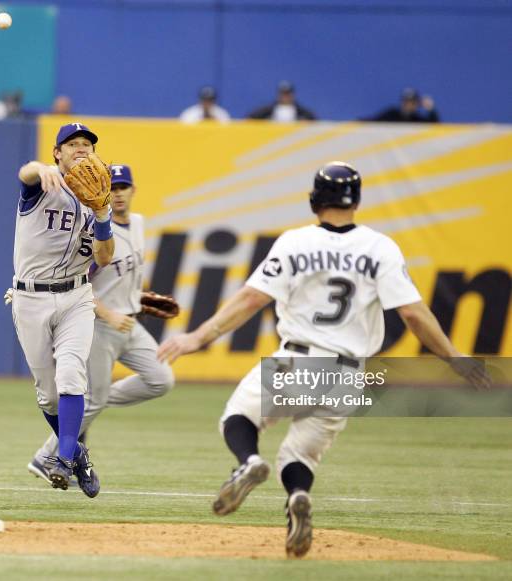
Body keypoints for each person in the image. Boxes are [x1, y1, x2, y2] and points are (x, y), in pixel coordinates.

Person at [158, 161, 489, 558]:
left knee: (238, 417)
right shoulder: (380, 248)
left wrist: (198, 336)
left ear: (315, 198)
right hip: (348, 373)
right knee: (298, 457)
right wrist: (453, 357)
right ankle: (298, 495)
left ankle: (247, 462)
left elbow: (250, 299)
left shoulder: (295, 242)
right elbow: (414, 314)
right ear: (357, 200)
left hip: (298, 360)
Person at [27, 164, 175, 481]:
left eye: (124, 187)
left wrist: (138, 298)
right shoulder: (98, 230)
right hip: (99, 326)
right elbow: (81, 282)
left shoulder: (138, 223)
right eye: (114, 187)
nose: (119, 194)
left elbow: (125, 274)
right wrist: (108, 312)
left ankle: (96, 398)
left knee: (161, 379)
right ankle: (45, 457)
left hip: (131, 323)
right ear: (104, 191)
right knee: (92, 398)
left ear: (133, 191)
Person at [11, 122, 114, 498]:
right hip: (29, 297)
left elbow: (103, 257)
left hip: (76, 297)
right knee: (48, 395)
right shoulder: (41, 184)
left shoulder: (97, 202)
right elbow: (25, 173)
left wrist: (103, 215)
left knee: (71, 374)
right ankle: (79, 455)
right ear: (58, 152)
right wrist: (41, 168)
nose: (81, 149)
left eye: (87, 144)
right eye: (72, 144)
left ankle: (62, 458)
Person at [248, 81, 316, 122]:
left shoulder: (301, 112)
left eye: (288, 94)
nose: (285, 97)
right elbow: (250, 119)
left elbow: (315, 122)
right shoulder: (268, 110)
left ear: (293, 95)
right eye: (283, 94)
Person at [368, 88, 440, 123]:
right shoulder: (392, 114)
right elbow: (374, 121)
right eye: (406, 101)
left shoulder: (417, 120)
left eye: (412, 102)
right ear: (402, 102)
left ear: (416, 104)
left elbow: (434, 128)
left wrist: (431, 110)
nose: (408, 105)